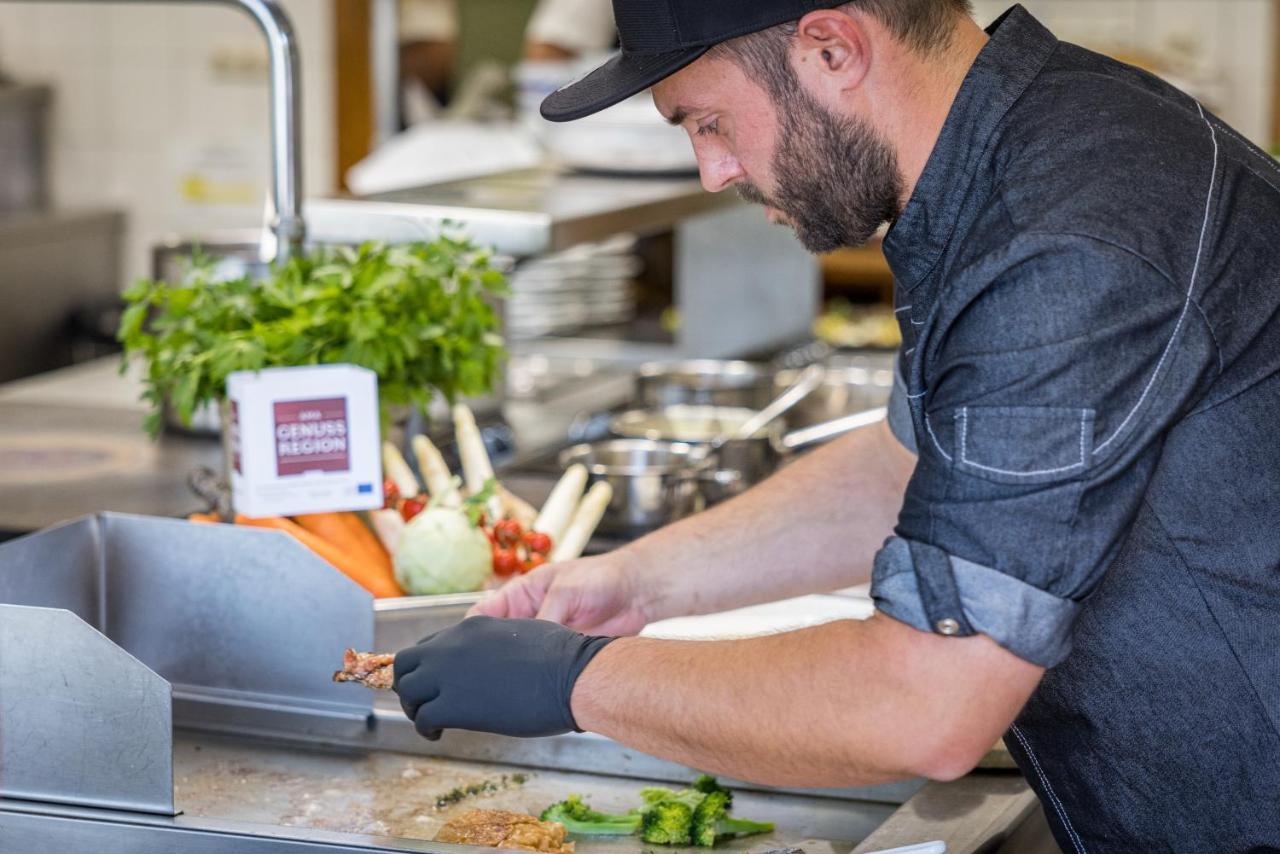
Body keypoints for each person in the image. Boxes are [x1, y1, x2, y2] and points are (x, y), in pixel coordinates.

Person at [391, 1, 1280, 849]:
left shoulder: (1067, 242)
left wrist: (572, 680)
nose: (715, 170)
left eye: (707, 121)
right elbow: (905, 465)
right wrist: (634, 587)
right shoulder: (1033, 147)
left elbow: (925, 702)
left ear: (831, 49)